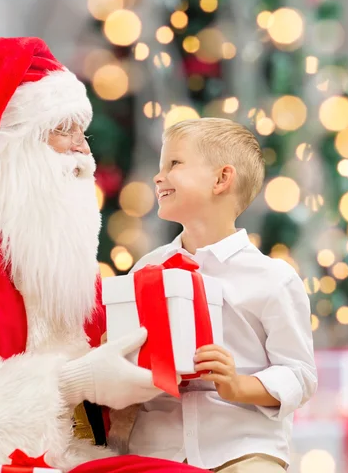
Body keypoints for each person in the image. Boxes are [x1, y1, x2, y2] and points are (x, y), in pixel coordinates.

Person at [0, 37, 207, 473]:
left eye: (83, 131)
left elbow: (110, 384)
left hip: (94, 456)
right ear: (14, 143)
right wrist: (73, 383)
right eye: (63, 130)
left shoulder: (60, 250)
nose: (84, 150)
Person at [123, 118, 318, 472]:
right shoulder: (146, 271)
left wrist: (238, 386)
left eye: (174, 164)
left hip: (242, 449)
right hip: (158, 450)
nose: (158, 176)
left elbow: (299, 374)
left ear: (221, 179)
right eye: (160, 166)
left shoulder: (273, 279)